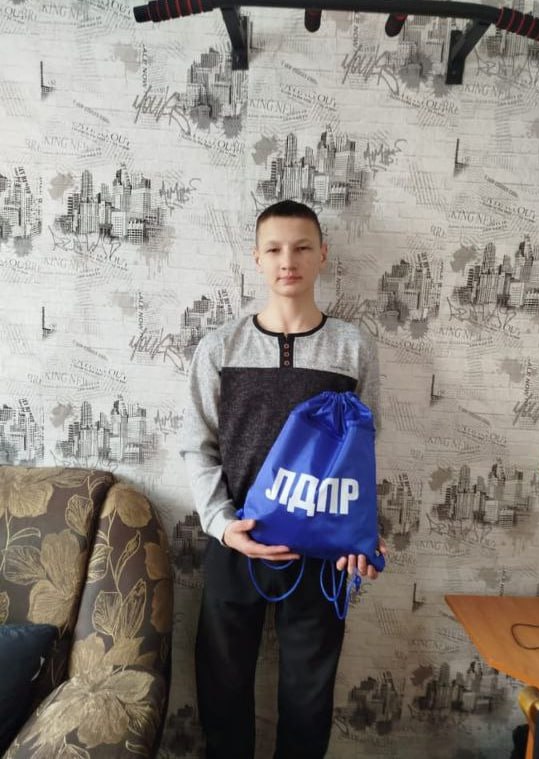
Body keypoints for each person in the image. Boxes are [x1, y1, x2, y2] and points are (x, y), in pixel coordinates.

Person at [181, 200, 385, 759]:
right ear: (257, 258)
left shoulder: (352, 348)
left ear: (323, 255)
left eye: (301, 247)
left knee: (308, 700)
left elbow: (362, 452)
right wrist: (223, 525)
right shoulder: (220, 348)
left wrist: (360, 533)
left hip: (322, 553)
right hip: (236, 541)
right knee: (222, 693)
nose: (287, 260)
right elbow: (197, 446)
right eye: (273, 249)